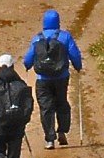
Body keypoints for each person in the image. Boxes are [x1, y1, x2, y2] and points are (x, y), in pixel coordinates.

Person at [26, 8, 85, 147]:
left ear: (44, 22)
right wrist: (78, 67)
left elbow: (28, 58)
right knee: (61, 103)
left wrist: (27, 66)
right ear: (58, 21)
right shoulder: (65, 37)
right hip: (61, 77)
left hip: (43, 79)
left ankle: (49, 139)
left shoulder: (37, 38)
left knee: (46, 108)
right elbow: (74, 54)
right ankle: (62, 132)